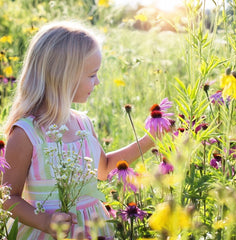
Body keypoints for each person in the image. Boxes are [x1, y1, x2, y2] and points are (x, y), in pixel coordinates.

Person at [3, 20, 155, 240]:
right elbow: (8, 198)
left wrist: (150, 139)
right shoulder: (26, 133)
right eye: (92, 75)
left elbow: (103, 169)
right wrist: (45, 221)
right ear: (63, 78)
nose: (98, 81)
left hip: (94, 230)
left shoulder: (83, 123)